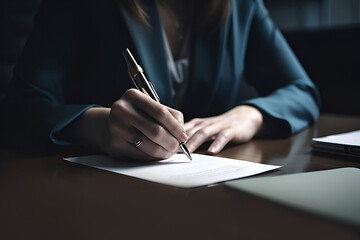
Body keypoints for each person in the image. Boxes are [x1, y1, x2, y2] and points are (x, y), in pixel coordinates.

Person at [1, 0, 320, 161]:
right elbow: (21, 106)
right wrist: (97, 127)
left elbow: (302, 90)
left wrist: (250, 115)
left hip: (207, 199)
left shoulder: (240, 6)